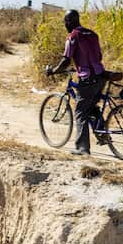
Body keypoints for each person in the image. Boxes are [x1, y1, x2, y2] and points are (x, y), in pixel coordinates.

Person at [44, 9, 107, 155]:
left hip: (87, 78)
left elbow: (66, 59)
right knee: (91, 106)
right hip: (101, 76)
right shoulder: (92, 34)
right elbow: (99, 56)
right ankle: (102, 134)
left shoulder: (73, 36)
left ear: (70, 22)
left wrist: (53, 70)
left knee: (80, 112)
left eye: (65, 22)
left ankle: (82, 148)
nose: (65, 25)